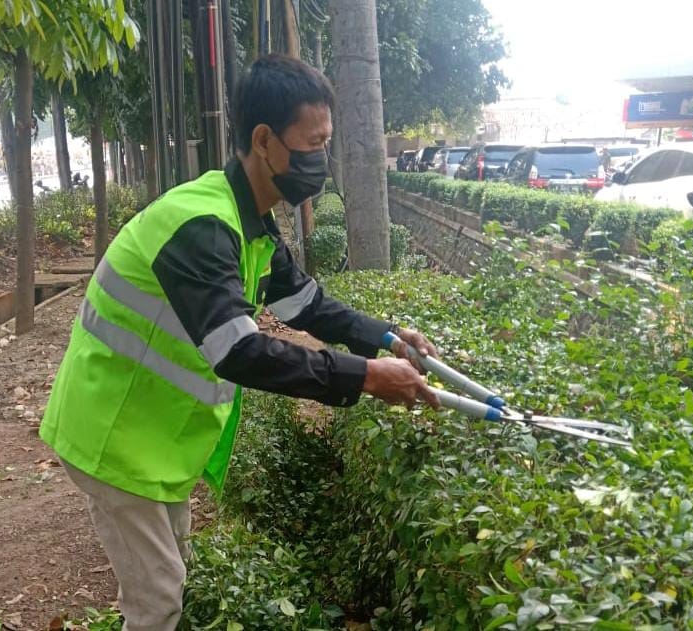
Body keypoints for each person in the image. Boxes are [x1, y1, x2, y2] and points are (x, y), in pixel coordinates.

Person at [39, 54, 439, 631]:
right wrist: (367, 377)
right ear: (264, 141)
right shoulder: (202, 226)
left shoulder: (246, 218)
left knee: (172, 568)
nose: (321, 160)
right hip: (111, 435)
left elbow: (303, 302)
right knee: (157, 599)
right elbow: (239, 352)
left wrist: (386, 337)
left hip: (151, 435)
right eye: (313, 143)